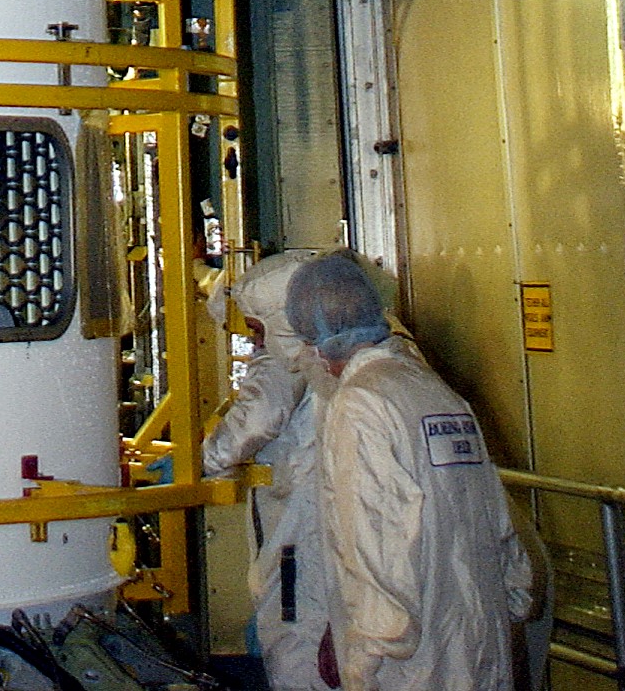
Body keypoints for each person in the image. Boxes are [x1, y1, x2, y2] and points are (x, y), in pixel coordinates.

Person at [284, 253, 532, 691]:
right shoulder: (434, 391)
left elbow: (373, 541)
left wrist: (363, 659)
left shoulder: (360, 404)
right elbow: (497, 517)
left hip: (414, 664)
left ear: (318, 342)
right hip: (481, 643)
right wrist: (510, 604)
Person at [203, 253, 336, 687]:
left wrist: (201, 462)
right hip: (317, 525)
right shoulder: (375, 350)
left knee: (299, 652)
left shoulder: (292, 353)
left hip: (304, 534)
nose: (256, 344)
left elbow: (258, 418)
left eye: (258, 331)